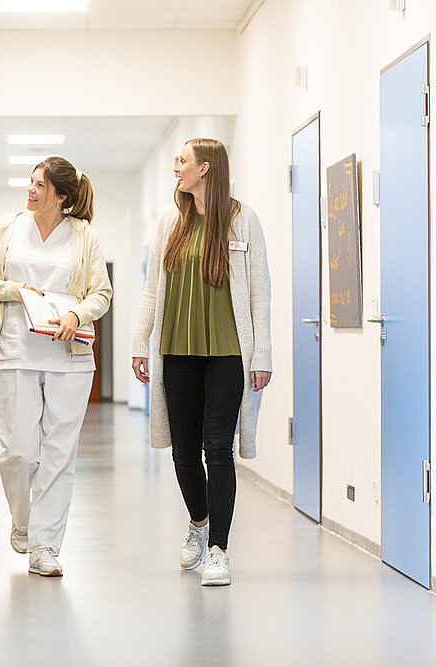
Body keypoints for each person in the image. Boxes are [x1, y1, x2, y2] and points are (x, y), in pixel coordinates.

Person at [131, 138, 272, 587]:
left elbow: (259, 292)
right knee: (184, 452)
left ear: (206, 168)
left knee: (218, 449)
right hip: (177, 349)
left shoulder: (242, 219)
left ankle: (219, 550)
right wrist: (139, 341)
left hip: (229, 351)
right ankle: (198, 523)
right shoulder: (170, 221)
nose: (177, 166)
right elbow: (153, 288)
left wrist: (263, 352)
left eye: (183, 160)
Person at [0, 156, 112, 577]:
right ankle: (23, 521)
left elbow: (101, 293)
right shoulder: (5, 228)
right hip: (13, 350)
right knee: (18, 451)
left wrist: (78, 315)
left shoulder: (83, 236)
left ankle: (45, 546)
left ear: (61, 195)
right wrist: (15, 290)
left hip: (67, 358)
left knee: (58, 455)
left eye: (39, 185)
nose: (30, 190)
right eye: (30, 182)